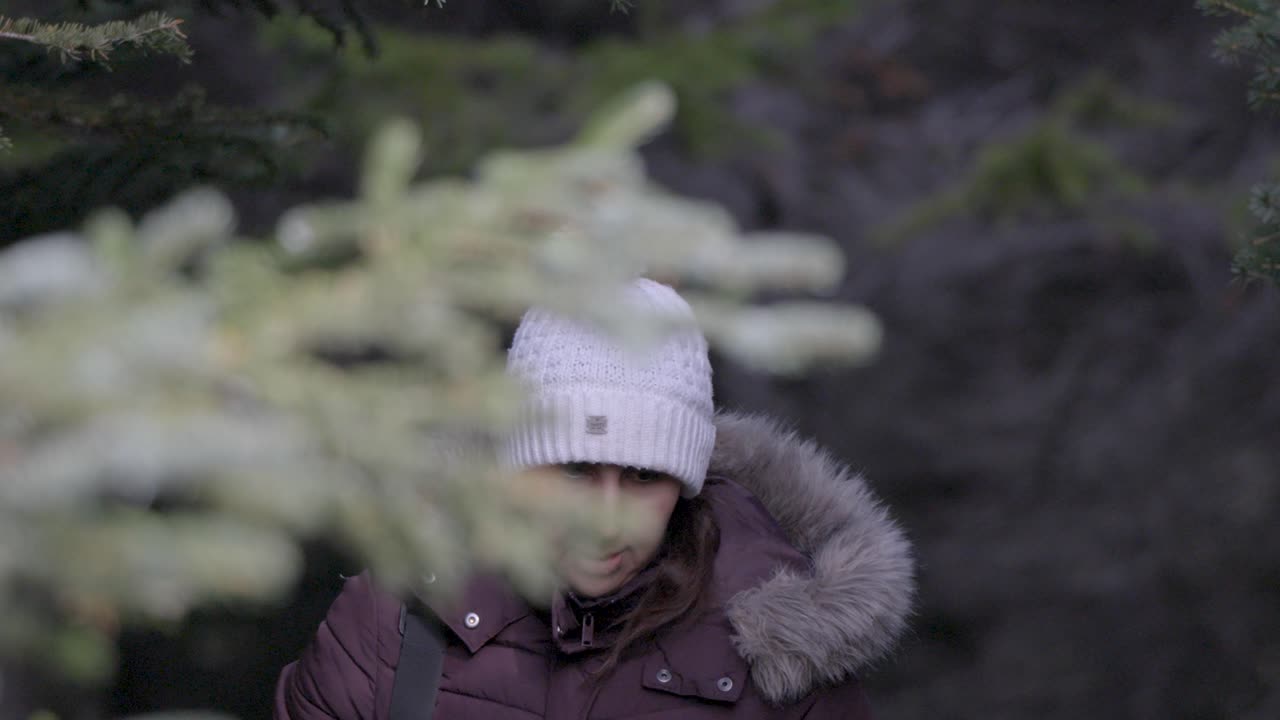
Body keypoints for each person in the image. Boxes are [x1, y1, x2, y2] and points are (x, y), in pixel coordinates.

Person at [274, 279, 915, 719]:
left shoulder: (780, 658)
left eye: (643, 476)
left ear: (687, 482)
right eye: (576, 470)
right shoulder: (395, 621)